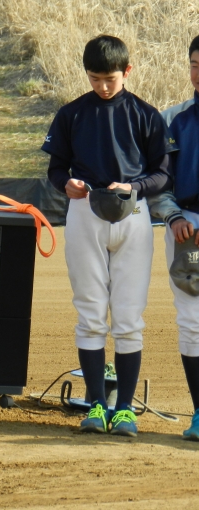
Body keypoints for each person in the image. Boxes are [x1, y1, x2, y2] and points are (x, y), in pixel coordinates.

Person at [41, 35, 177, 437]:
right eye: (95, 78)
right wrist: (65, 184)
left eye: (110, 78)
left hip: (132, 213)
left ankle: (125, 409)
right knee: (89, 311)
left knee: (129, 317)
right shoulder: (71, 114)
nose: (102, 86)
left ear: (127, 72)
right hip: (85, 212)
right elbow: (55, 169)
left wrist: (133, 187)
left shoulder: (146, 115)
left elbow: (163, 174)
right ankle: (97, 405)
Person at [148, 34, 199, 440]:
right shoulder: (172, 120)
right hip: (187, 229)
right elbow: (158, 182)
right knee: (193, 322)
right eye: (195, 65)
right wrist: (173, 216)